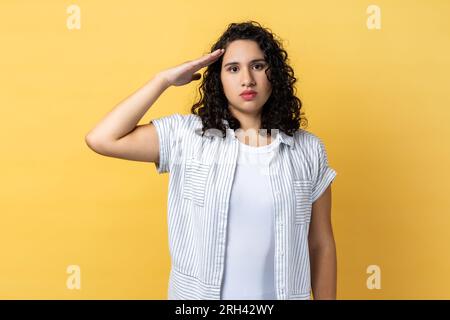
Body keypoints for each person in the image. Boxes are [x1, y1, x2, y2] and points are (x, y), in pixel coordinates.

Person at [85, 20, 338, 300]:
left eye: (257, 65)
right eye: (233, 68)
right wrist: (163, 80)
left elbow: (320, 243)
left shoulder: (308, 150)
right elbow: (103, 138)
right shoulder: (187, 136)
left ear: (274, 74)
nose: (247, 79)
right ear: (218, 78)